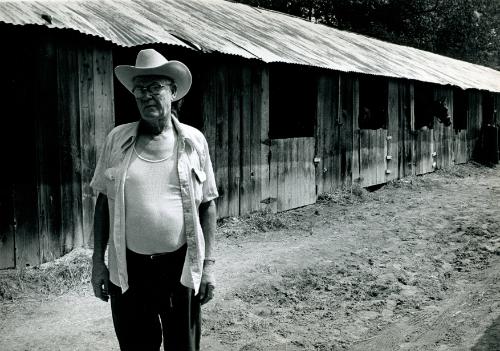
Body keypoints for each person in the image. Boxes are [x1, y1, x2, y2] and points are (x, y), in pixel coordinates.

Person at [90, 48, 218, 351]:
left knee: (183, 346)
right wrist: (98, 263)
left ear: (172, 92)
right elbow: (103, 203)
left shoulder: (193, 141)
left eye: (155, 88)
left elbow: (208, 204)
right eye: (140, 90)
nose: (147, 96)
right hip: (128, 267)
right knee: (136, 346)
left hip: (180, 266)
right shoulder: (117, 140)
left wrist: (209, 266)